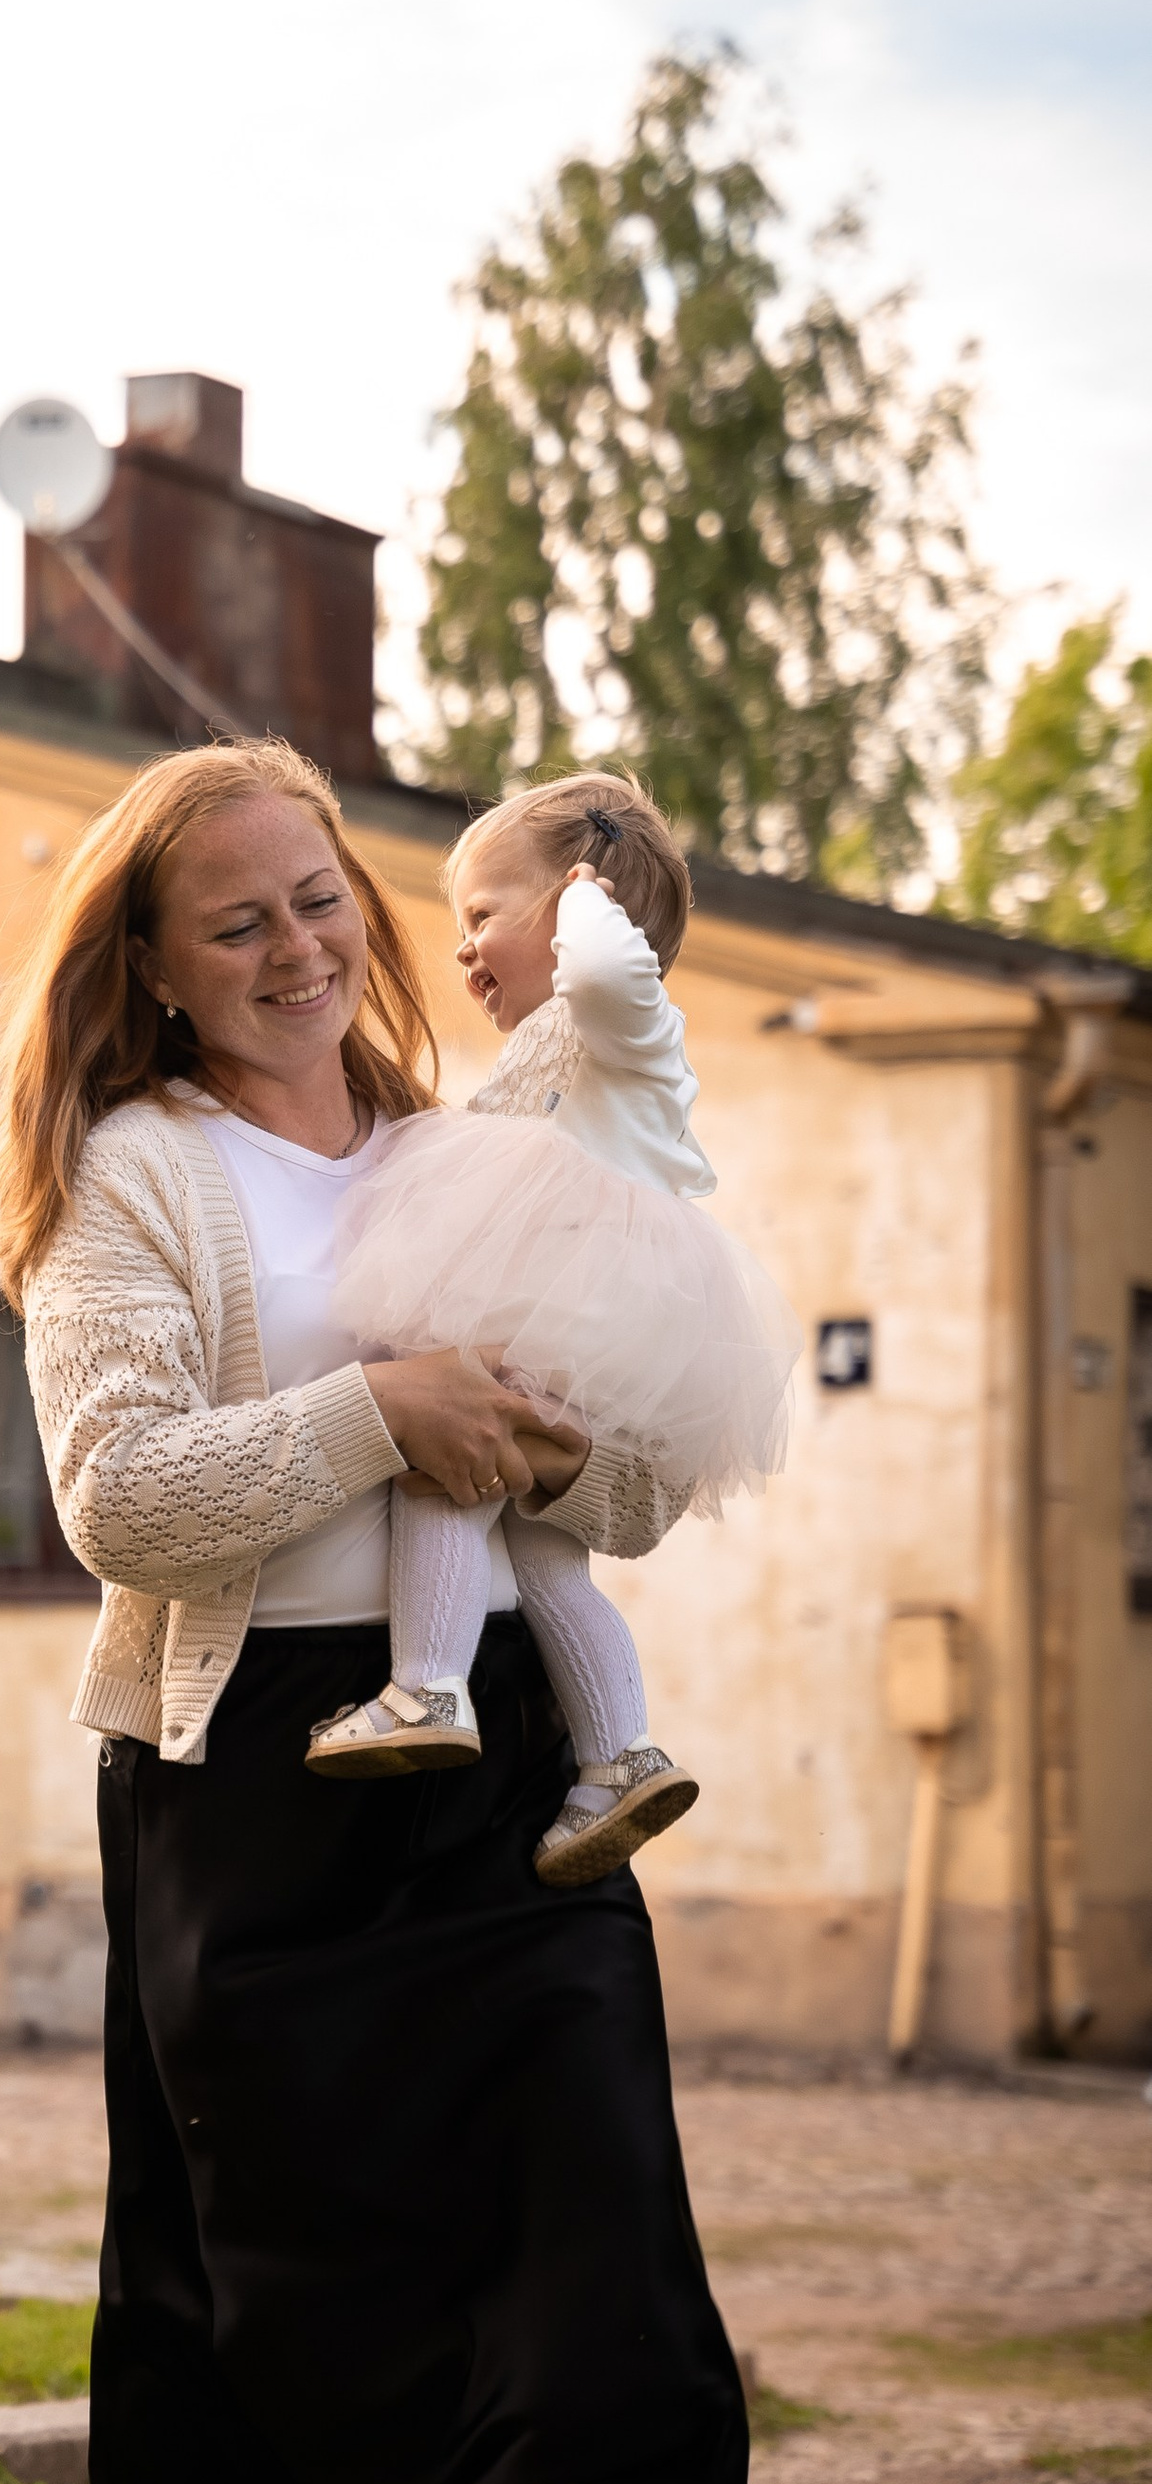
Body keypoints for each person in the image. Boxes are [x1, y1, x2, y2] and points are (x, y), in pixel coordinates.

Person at [0, 737, 844, 2484]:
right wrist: (382, 1410)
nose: (293, 945)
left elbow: (627, 1482)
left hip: (511, 1782)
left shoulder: (473, 1143)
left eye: (313, 898)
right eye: (233, 919)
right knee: (215, 2236)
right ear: (157, 968)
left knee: (590, 2188)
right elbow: (118, 1499)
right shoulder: (127, 1172)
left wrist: (535, 1450)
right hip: (252, 1767)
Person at [307, 772, 797, 1888]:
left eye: (483, 916)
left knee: (445, 1463)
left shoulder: (613, 1007)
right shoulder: (566, 1038)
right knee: (543, 1553)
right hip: (577, 1308)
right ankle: (615, 1756)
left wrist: (582, 904)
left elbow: (617, 966)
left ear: (580, 900)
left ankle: (424, 1683)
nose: (466, 950)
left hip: (555, 1296)